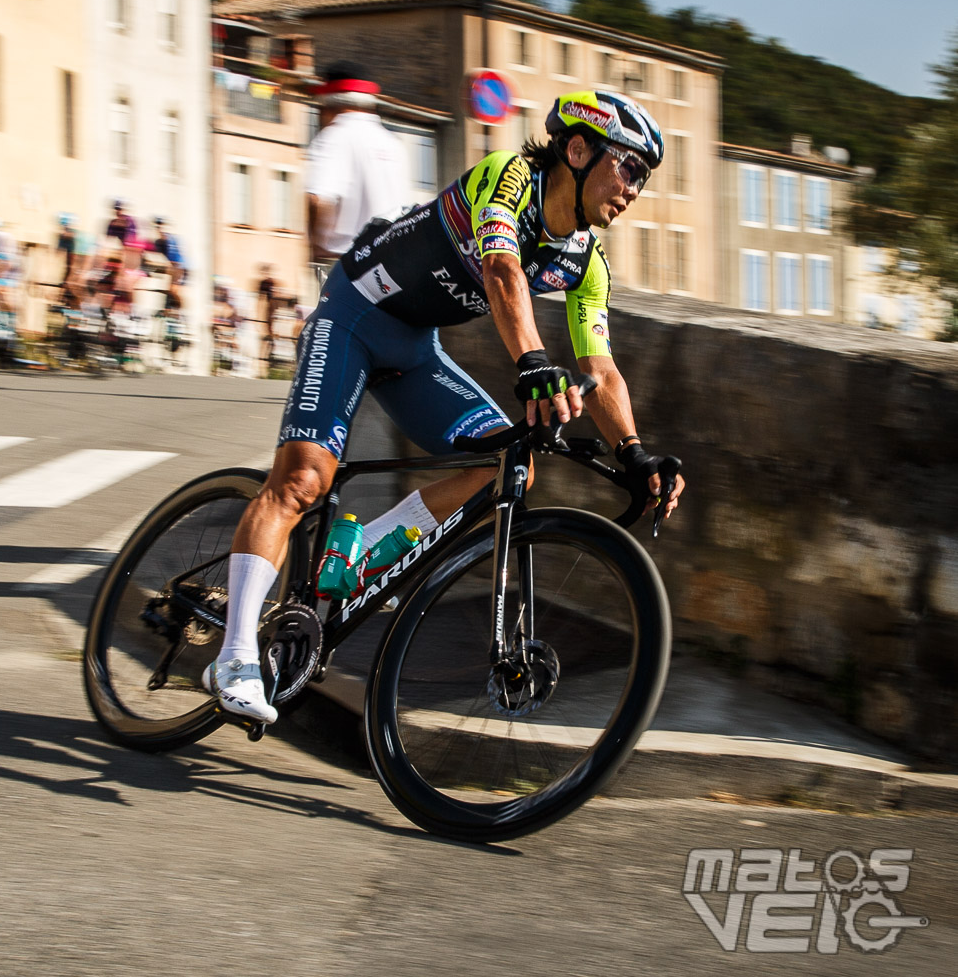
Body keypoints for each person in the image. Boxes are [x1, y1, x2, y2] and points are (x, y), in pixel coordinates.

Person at [201, 90, 688, 723]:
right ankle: (234, 656)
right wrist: (535, 364)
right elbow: (502, 272)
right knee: (302, 482)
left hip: (414, 348)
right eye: (629, 168)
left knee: (507, 466)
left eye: (644, 177)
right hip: (354, 315)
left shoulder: (586, 262)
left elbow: (601, 368)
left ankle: (363, 551)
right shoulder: (511, 179)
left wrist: (635, 453)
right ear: (577, 149)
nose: (634, 189)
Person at [304, 61, 411, 269]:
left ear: (329, 105)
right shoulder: (394, 144)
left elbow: (317, 199)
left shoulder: (334, 137)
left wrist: (315, 247)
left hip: (347, 261)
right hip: (391, 262)